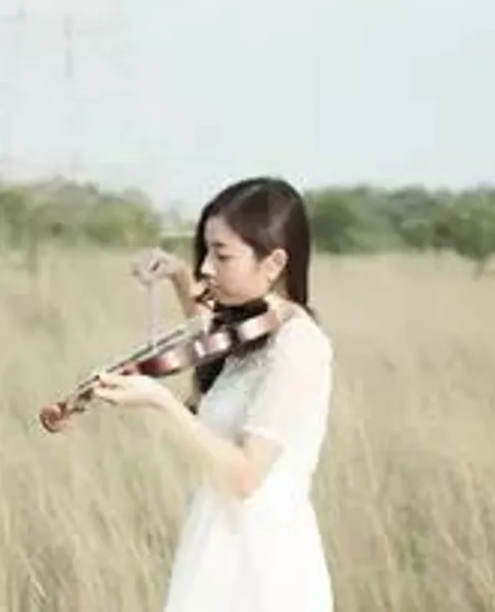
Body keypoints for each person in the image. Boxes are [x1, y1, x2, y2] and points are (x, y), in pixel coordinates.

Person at [92, 176, 335, 612]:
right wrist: (179, 276)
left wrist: (161, 402)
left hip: (265, 563)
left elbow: (245, 477)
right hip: (217, 542)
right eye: (205, 252)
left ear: (274, 263)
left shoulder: (299, 345)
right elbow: (210, 341)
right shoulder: (253, 329)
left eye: (221, 255)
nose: (206, 267)